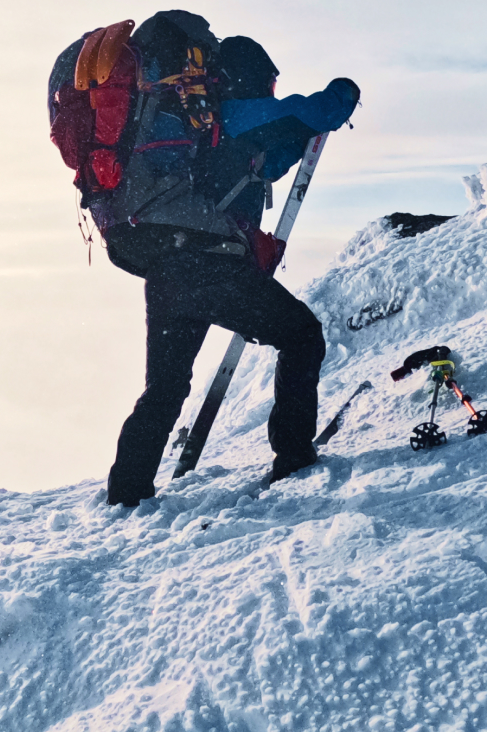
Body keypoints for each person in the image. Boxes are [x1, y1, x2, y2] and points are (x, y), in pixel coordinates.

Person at [102, 28, 359, 507]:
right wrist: (343, 92)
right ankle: (294, 456)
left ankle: (127, 491)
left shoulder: (206, 132)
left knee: (166, 386)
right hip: (209, 266)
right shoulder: (229, 112)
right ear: (250, 77)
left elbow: (266, 163)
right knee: (301, 336)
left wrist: (297, 133)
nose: (272, 92)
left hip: (165, 269)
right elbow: (317, 109)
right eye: (269, 82)